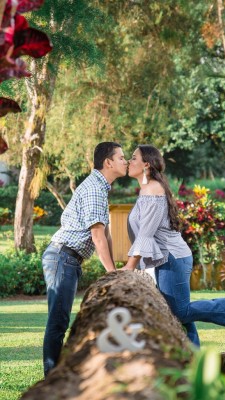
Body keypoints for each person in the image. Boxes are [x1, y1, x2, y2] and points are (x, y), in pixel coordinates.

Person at [122, 144, 225, 347]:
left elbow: (145, 234)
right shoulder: (147, 189)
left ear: (146, 164)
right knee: (177, 310)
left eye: (133, 158)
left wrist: (129, 266)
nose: (129, 161)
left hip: (172, 258)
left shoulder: (152, 189)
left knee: (180, 311)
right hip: (167, 259)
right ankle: (192, 353)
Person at [42, 142, 128, 376]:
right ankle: (51, 378)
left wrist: (114, 269)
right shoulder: (94, 189)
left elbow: (106, 234)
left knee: (59, 320)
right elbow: (97, 235)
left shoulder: (101, 188)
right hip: (62, 256)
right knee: (58, 321)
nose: (126, 161)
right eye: (121, 157)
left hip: (68, 258)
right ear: (108, 162)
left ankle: (58, 374)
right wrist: (111, 273)